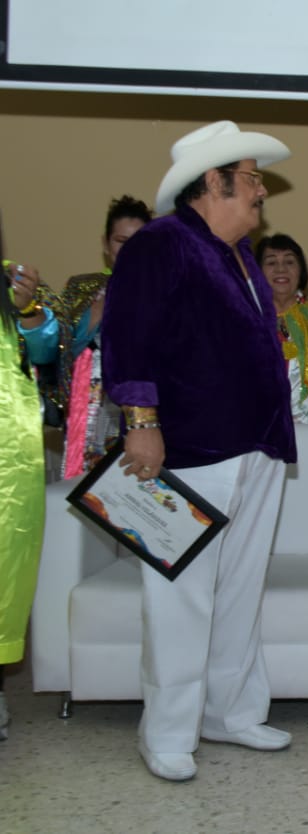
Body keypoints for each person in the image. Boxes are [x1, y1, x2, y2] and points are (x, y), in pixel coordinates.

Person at [100, 120, 297, 782]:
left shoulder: (238, 253)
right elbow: (128, 339)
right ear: (211, 183)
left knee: (240, 590)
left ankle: (230, 712)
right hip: (190, 445)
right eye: (250, 178)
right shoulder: (160, 245)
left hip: (259, 444)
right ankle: (168, 730)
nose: (261, 191)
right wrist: (141, 419)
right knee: (181, 594)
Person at [44, 195, 152, 478]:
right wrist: (103, 305)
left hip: (146, 411)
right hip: (88, 407)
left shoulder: (164, 291)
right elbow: (59, 349)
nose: (130, 251)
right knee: (86, 498)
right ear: (105, 244)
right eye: (121, 241)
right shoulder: (81, 287)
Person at [0, 238, 55, 741]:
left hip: (5, 462)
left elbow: (44, 351)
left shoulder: (12, 282)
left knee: (3, 573)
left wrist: (29, 310)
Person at [255, 233, 308, 423]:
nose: (281, 269)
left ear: (301, 271)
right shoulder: (243, 319)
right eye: (271, 263)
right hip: (255, 429)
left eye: (289, 262)